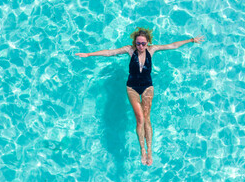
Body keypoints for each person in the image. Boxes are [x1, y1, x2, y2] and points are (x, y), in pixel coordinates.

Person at [75, 27, 205, 166]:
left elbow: (172, 45)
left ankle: (149, 150)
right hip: (132, 88)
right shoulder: (130, 50)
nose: (141, 46)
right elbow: (110, 52)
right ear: (134, 43)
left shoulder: (152, 50)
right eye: (138, 44)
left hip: (148, 87)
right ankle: (142, 149)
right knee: (140, 119)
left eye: (143, 43)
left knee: (147, 118)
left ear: (148, 42)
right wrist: (89, 54)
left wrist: (191, 40)